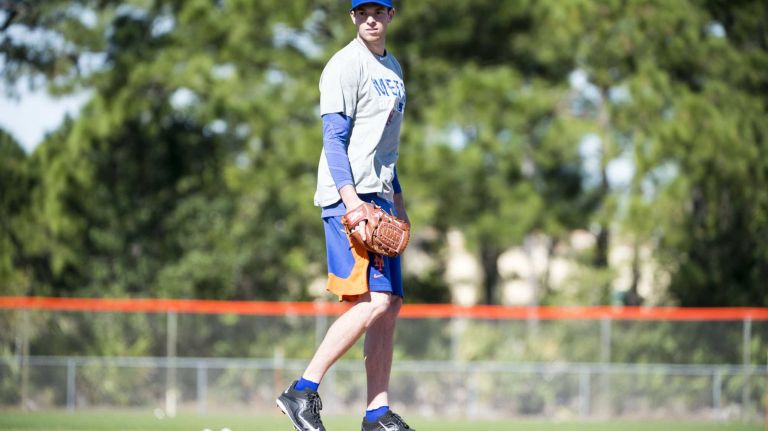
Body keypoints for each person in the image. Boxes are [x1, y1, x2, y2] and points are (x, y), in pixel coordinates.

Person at [276, 1, 414, 430]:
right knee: (372, 302)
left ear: (391, 15)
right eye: (362, 11)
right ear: (352, 17)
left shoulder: (393, 69)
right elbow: (334, 140)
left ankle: (376, 412)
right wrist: (351, 201)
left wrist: (398, 200)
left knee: (388, 307)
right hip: (350, 199)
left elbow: (385, 147)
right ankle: (302, 390)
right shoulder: (344, 66)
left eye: (379, 10)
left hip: (381, 196)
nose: (371, 18)